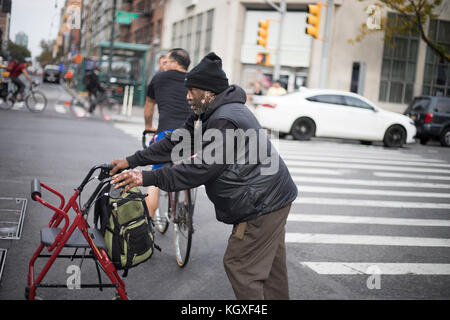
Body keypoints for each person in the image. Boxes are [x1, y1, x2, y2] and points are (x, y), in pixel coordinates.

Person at [110, 52, 298, 300]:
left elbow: (200, 169)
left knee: (240, 265)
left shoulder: (225, 119)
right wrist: (131, 161)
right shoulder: (208, 113)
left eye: (192, 91)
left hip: (262, 203)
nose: (187, 96)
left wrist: (145, 178)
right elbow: (176, 142)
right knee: (271, 270)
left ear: (208, 92)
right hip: (273, 197)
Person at [143, 48, 193, 220]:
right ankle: (187, 205)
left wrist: (149, 126)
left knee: (154, 179)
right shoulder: (195, 80)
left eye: (168, 61)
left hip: (165, 134)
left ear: (175, 63)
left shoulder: (159, 78)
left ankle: (148, 225)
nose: (165, 64)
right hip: (190, 136)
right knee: (189, 171)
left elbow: (149, 105)